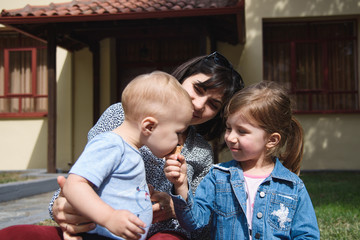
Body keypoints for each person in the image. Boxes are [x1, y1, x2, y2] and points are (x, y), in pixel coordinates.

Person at [0, 52, 243, 240]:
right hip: (101, 226)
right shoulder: (122, 116)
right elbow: (82, 179)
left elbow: (200, 226)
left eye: (213, 104)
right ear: (182, 77)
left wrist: (175, 206)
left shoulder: (201, 152)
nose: (199, 104)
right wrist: (62, 207)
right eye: (197, 89)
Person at [164, 81, 320, 239]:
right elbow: (194, 222)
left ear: (272, 140)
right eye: (229, 128)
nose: (230, 138)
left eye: (242, 131)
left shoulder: (293, 186)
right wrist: (181, 185)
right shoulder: (217, 177)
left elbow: (307, 235)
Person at [63, 71, 193, 240]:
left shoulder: (131, 151)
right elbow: (74, 184)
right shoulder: (111, 144)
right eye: (178, 132)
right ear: (149, 126)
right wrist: (109, 217)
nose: (180, 141)